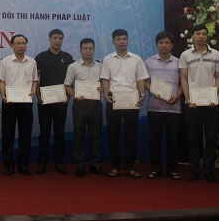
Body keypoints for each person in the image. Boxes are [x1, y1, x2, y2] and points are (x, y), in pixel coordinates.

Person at [100, 28, 147, 178]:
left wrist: (142, 94)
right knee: (113, 135)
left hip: (132, 100)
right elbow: (105, 79)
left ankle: (129, 167)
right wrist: (105, 95)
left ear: (128, 40)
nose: (122, 42)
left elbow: (140, 79)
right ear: (113, 42)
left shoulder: (136, 59)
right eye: (118, 39)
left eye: (124, 39)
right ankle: (115, 166)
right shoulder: (108, 59)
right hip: (113, 99)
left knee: (131, 135)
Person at [179, 23, 219, 183]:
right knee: (193, 137)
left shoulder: (215, 54)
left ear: (207, 36)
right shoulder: (186, 55)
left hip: (211, 103)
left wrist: (214, 95)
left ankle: (209, 170)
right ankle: (194, 169)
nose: (201, 36)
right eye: (198, 33)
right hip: (193, 103)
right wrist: (188, 98)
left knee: (211, 137)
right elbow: (183, 78)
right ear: (193, 36)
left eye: (204, 34)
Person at [64, 37, 105, 177]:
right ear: (80, 50)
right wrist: (74, 95)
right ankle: (80, 164)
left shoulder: (101, 67)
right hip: (79, 105)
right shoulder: (73, 66)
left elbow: (105, 84)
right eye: (85, 48)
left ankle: (95, 164)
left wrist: (102, 89)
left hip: (95, 105)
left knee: (96, 135)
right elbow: (67, 85)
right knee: (79, 135)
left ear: (94, 49)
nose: (88, 51)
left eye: (90, 48)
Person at [0, 34, 38, 176]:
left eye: (23, 43)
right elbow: (1, 80)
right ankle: (9, 164)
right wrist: (3, 94)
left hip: (26, 103)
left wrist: (34, 90)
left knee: (25, 135)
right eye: (18, 43)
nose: (21, 45)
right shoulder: (5, 62)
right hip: (10, 102)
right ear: (12, 45)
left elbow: (35, 80)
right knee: (8, 135)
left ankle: (23, 165)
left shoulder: (32, 62)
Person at [144, 31, 182, 180]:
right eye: (161, 42)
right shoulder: (149, 62)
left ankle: (172, 169)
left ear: (172, 45)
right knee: (155, 139)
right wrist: (152, 90)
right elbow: (143, 82)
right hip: (155, 107)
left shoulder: (179, 62)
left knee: (173, 140)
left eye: (167, 43)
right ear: (156, 44)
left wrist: (178, 95)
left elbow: (183, 83)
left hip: (174, 107)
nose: (164, 45)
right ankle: (156, 168)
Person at [35, 28, 74, 174]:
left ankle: (59, 163)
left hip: (61, 101)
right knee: (44, 132)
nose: (57, 41)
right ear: (49, 39)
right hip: (44, 101)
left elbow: (71, 80)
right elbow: (35, 79)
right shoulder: (41, 57)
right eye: (55, 38)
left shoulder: (68, 57)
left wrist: (68, 96)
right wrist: (38, 96)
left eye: (60, 38)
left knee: (59, 132)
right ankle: (42, 163)